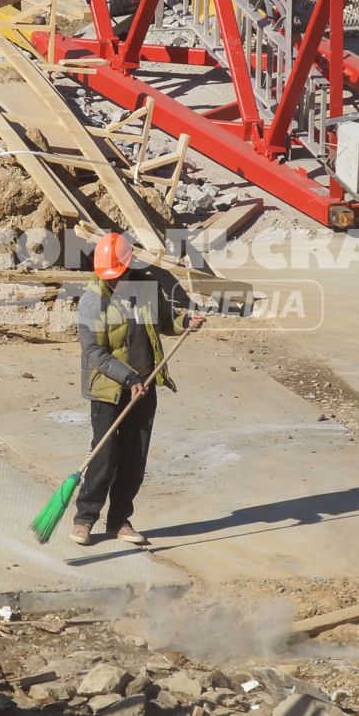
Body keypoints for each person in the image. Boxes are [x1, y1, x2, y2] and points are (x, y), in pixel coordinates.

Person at [72, 232, 206, 547]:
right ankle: (84, 519)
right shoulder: (92, 300)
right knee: (105, 456)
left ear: (128, 266)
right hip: (109, 389)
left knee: (134, 460)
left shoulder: (146, 289)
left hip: (144, 385)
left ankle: (119, 521)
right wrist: (128, 378)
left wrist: (185, 321)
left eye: (118, 273)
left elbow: (164, 321)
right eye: (110, 275)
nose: (114, 280)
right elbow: (93, 353)